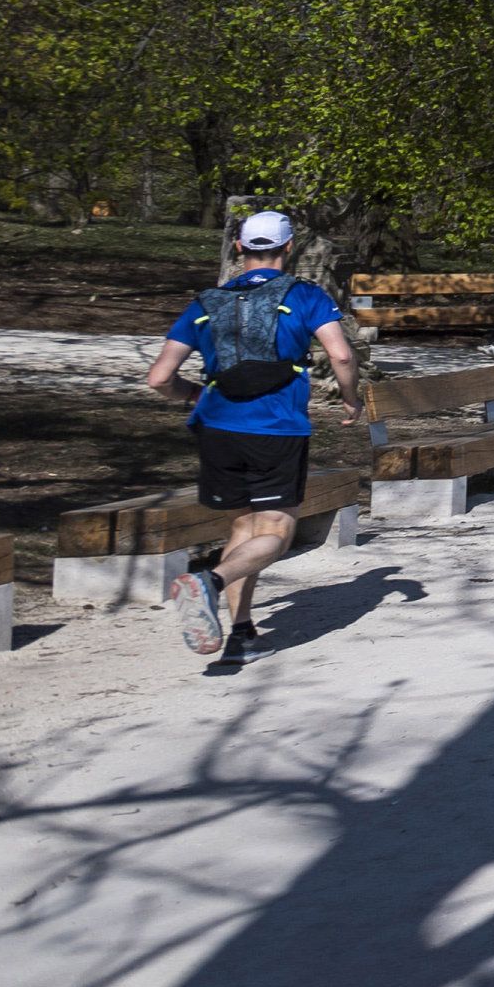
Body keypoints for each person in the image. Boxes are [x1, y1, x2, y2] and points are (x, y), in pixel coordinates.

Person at [138, 209, 365, 668]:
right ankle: (209, 583)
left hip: (218, 428)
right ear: (289, 248)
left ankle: (240, 633)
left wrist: (195, 395)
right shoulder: (305, 296)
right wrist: (350, 397)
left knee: (243, 526)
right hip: (276, 430)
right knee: (277, 533)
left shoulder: (206, 302)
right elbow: (340, 354)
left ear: (239, 248)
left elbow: (159, 378)